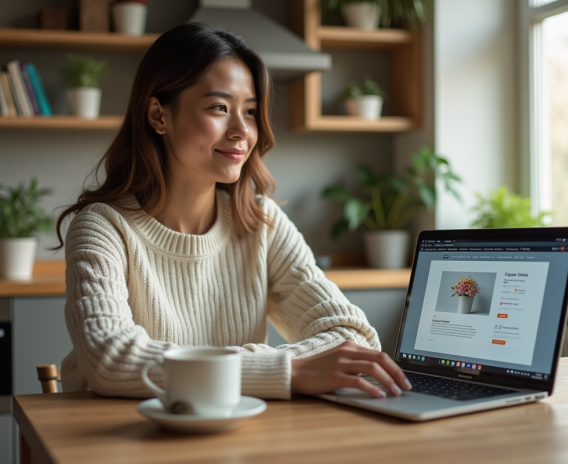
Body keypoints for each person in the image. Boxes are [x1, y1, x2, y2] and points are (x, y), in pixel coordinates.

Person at [55, 23, 411, 401]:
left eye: (252, 111)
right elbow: (112, 360)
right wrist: (284, 369)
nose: (242, 130)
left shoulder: (260, 221)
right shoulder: (102, 227)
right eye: (219, 108)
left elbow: (352, 334)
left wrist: (260, 369)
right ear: (159, 115)